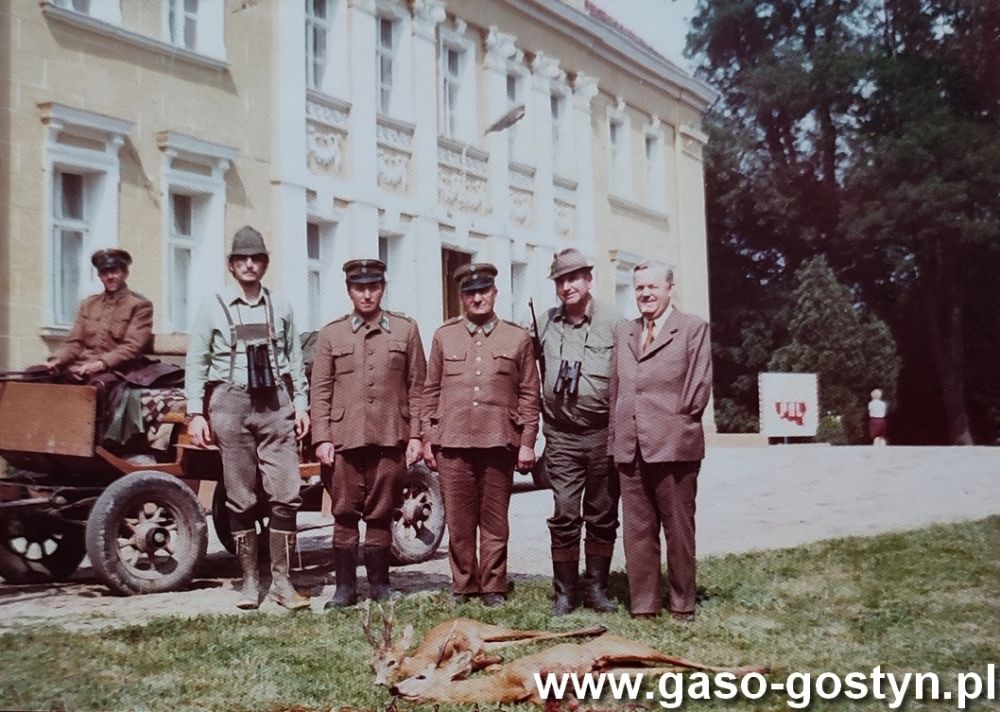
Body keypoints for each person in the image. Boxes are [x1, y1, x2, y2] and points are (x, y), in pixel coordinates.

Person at [185, 226, 311, 611]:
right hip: (230, 403)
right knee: (240, 498)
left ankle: (282, 582)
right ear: (231, 265)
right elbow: (197, 361)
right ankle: (250, 581)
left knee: (286, 493)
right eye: (242, 259)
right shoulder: (213, 305)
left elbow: (294, 359)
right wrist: (195, 413)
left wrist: (301, 403)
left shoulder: (281, 305)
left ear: (265, 264)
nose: (249, 265)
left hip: (275, 404)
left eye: (256, 259)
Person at [421, 263, 540, 606]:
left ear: (494, 293)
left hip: (498, 440)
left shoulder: (517, 338)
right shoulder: (444, 336)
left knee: (494, 520)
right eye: (470, 293)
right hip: (453, 441)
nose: (477, 299)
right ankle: (463, 584)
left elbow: (529, 393)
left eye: (483, 291)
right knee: (459, 521)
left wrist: (527, 442)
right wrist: (429, 437)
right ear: (461, 297)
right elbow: (431, 390)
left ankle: (492, 586)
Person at [310, 259, 426, 608]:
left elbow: (417, 387)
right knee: (344, 512)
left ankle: (380, 585)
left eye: (373, 287)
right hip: (344, 439)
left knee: (381, 511)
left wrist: (416, 436)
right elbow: (320, 390)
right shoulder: (332, 334)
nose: (366, 294)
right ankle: (345, 589)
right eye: (359, 288)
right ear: (349, 291)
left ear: (382, 288)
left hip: (390, 435)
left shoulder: (405, 330)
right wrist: (322, 437)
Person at [609, 260, 712, 621]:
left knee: (678, 529)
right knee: (637, 530)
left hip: (674, 446)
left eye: (652, 287)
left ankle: (682, 604)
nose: (645, 294)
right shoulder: (625, 332)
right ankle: (644, 605)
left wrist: (675, 429)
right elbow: (617, 390)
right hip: (630, 446)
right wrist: (615, 441)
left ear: (670, 288)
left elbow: (698, 386)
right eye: (639, 288)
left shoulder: (692, 328)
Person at [537, 248, 621, 615]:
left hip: (603, 434)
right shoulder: (544, 322)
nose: (567, 286)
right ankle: (565, 592)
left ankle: (597, 588)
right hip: (562, 435)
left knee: (602, 513)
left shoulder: (615, 322)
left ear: (588, 279)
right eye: (560, 281)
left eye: (573, 278)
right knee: (565, 513)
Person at [47, 248, 153, 382]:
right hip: (83, 366)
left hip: (118, 369)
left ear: (125, 272)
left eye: (114, 271)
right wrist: (57, 360)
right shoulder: (89, 304)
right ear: (99, 276)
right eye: (104, 272)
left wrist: (101, 363)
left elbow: (132, 346)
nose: (110, 277)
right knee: (36, 376)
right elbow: (75, 342)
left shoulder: (139, 305)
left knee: (96, 385)